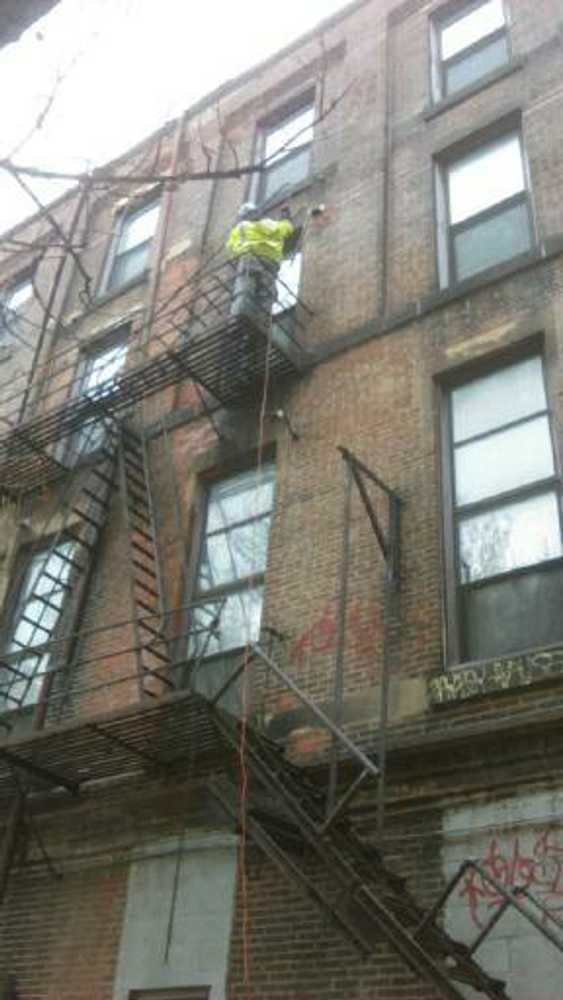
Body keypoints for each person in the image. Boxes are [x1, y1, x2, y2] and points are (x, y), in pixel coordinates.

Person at [226, 203, 295, 332]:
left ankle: (239, 318)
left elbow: (231, 248)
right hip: (269, 263)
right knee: (266, 293)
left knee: (245, 289)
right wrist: (286, 217)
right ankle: (261, 323)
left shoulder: (241, 227)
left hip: (250, 259)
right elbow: (285, 229)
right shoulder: (268, 224)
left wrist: (239, 252)